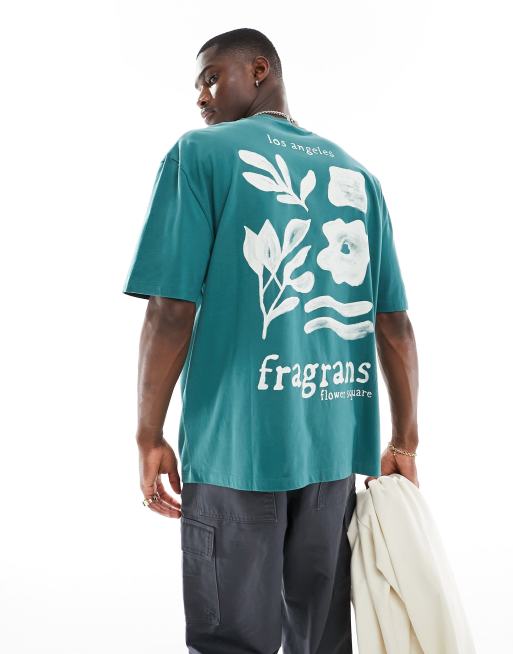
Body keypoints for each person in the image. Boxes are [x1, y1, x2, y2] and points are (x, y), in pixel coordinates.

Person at [123, 27, 419, 654]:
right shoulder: (358, 176)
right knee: (321, 639)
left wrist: (148, 434)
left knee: (231, 640)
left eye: (211, 77)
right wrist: (404, 441)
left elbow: (170, 309)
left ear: (259, 70)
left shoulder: (199, 155)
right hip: (333, 452)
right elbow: (393, 324)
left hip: (236, 447)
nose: (200, 96)